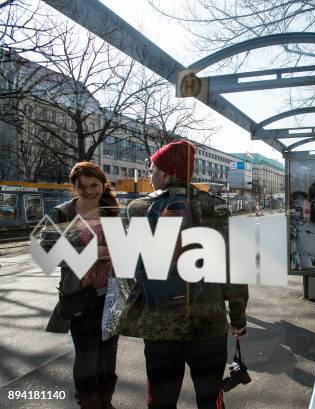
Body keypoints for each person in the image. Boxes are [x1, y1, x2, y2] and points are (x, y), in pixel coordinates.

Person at [119, 140, 248, 409]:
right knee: (210, 398)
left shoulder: (138, 209)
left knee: (161, 400)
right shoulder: (216, 207)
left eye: (152, 169)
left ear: (166, 173)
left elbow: (128, 269)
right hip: (208, 325)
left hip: (159, 326)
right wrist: (237, 317)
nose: (149, 176)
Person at [43, 161, 120, 409]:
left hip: (113, 295)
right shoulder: (62, 213)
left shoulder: (111, 210)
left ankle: (106, 401)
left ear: (103, 184)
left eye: (94, 185)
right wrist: (91, 252)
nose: (88, 191)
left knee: (108, 355)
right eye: (82, 186)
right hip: (80, 295)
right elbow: (47, 249)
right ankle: (89, 403)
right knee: (87, 356)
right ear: (74, 186)